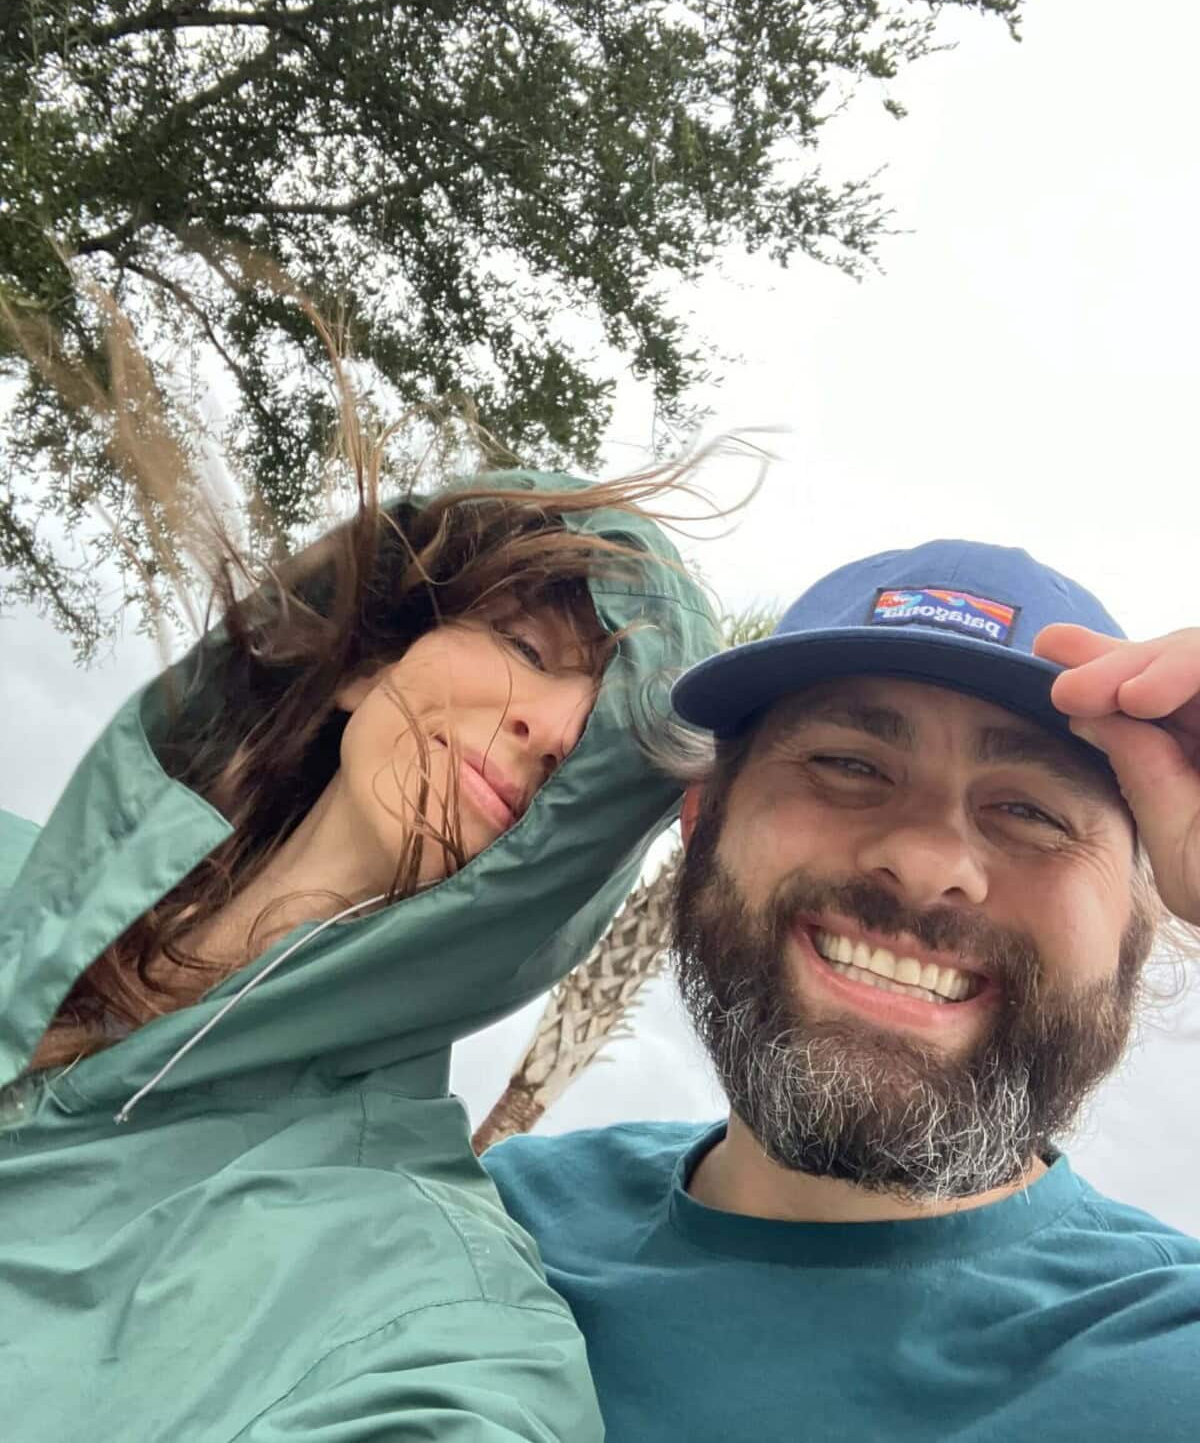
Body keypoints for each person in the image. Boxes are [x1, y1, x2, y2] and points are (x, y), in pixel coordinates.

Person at [0, 401, 723, 1434]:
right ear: (365, 664)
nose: (553, 725)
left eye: (603, 754)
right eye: (525, 642)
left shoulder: (424, 1305)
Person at [484, 539, 1200, 1442]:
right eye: (850, 766)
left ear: (1138, 929)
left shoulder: (1173, 1358)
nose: (926, 860)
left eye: (1032, 812)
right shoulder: (487, 1223)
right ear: (703, 824)